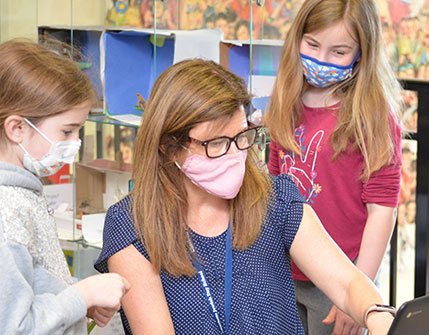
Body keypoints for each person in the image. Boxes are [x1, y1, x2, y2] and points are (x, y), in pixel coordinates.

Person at [94, 58, 395, 334]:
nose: (235, 153)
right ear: (168, 145)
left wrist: (376, 314)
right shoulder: (132, 226)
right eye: (216, 143)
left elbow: (347, 282)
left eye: (241, 137)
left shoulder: (275, 200)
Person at [263, 0, 403, 334]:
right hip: (285, 267)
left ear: (361, 53)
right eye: (312, 45)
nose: (320, 60)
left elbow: (383, 209)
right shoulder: (286, 99)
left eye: (338, 52)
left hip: (344, 273)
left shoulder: (372, 115)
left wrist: (358, 290)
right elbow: (272, 182)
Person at [0, 40, 130, 334]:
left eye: (79, 130)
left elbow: (32, 284)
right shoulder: (6, 211)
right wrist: (82, 296)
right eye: (67, 131)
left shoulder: (24, 190)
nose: (75, 143)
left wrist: (79, 296)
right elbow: (14, 326)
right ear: (17, 128)